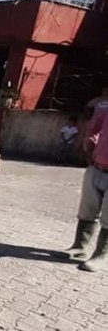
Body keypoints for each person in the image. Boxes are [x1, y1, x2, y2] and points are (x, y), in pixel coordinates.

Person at [60, 106, 108, 272]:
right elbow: (93, 129)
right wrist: (90, 147)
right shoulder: (105, 110)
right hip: (97, 167)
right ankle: (79, 247)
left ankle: (101, 255)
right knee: (87, 209)